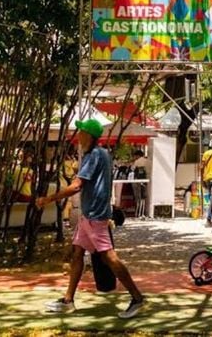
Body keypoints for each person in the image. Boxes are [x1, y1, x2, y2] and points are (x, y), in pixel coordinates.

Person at [37, 118, 145, 319]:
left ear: (90, 135)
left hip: (95, 216)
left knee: (109, 258)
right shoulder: (102, 153)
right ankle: (68, 300)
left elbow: (77, 185)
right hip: (89, 216)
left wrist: (49, 198)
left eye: (81, 132)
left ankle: (137, 298)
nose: (78, 136)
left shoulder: (93, 155)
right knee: (77, 254)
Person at [131, 150, 149, 217]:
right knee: (143, 196)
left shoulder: (137, 161)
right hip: (145, 181)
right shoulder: (147, 161)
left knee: (138, 197)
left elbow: (132, 169)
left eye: (135, 156)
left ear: (138, 155)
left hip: (137, 181)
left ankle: (138, 212)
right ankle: (142, 212)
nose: (134, 157)